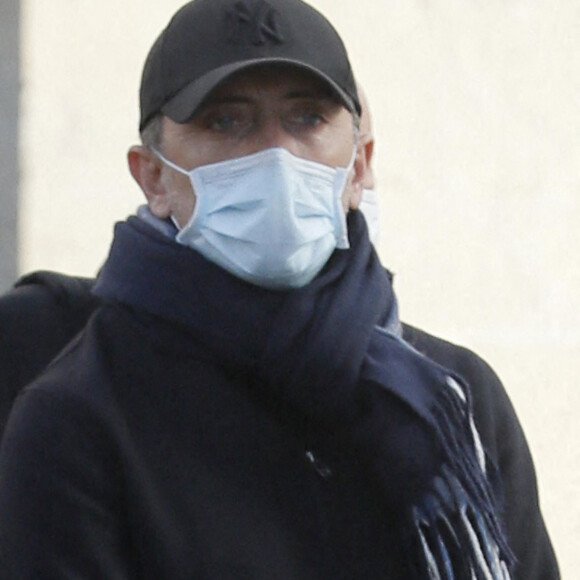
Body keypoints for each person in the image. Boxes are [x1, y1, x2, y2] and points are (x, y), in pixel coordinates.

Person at [0, 0, 559, 578]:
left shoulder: (456, 403)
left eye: (307, 118)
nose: (276, 153)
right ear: (154, 177)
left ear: (359, 166)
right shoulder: (77, 420)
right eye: (225, 122)